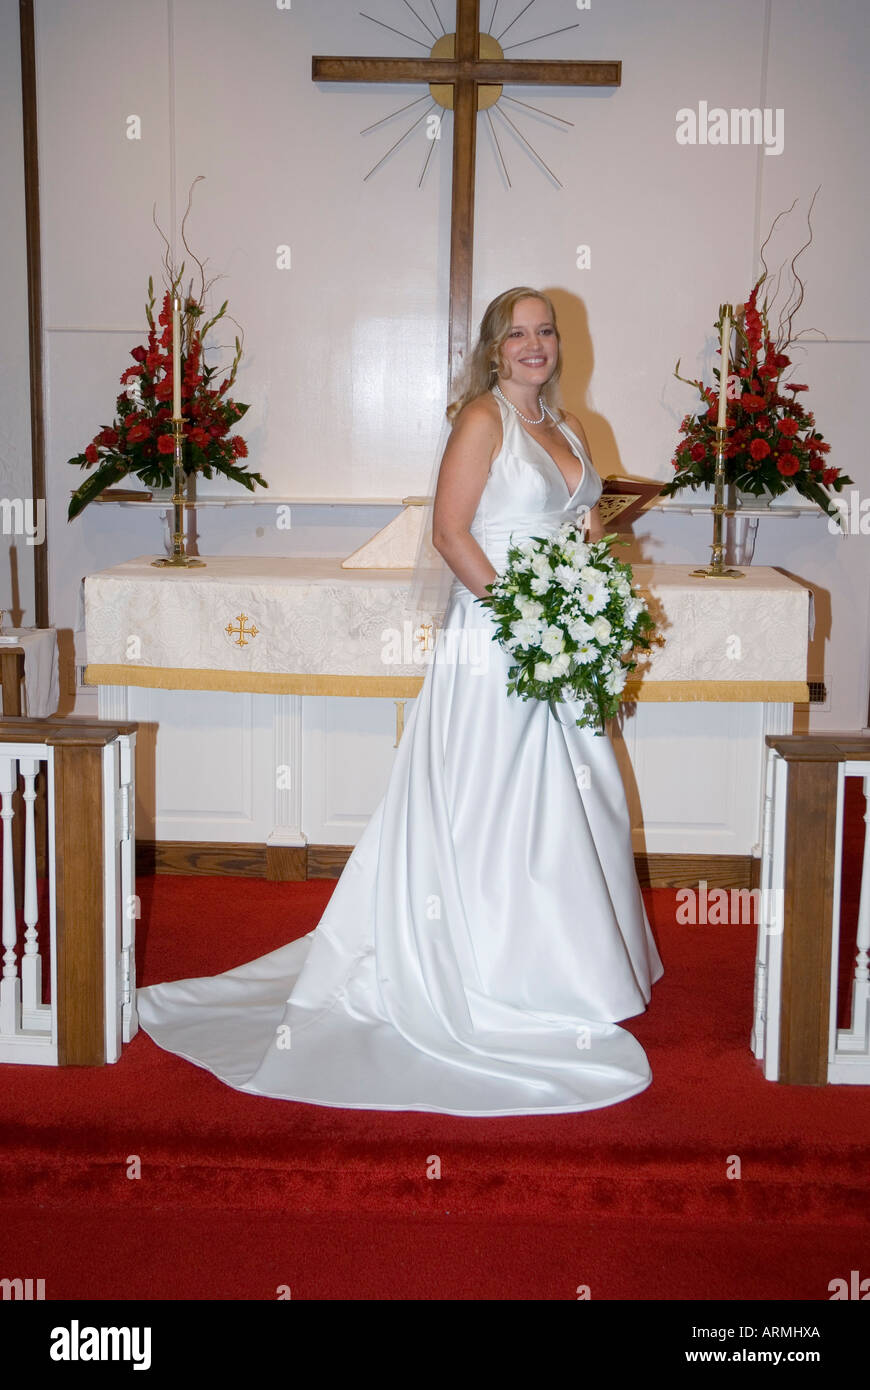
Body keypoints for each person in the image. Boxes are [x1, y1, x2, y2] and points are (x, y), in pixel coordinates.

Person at [136, 287, 664, 1115]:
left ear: (559, 344)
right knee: (492, 808)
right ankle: (485, 972)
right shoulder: (483, 421)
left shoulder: (570, 429)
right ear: (493, 349)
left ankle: (561, 970)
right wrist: (525, 620)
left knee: (568, 803)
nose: (533, 345)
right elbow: (451, 534)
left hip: (556, 648)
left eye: (545, 332)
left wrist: (592, 617)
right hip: (498, 646)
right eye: (516, 334)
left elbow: (588, 533)